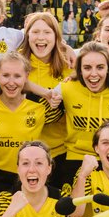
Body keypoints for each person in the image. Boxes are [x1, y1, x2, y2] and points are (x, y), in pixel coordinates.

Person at [48, 42, 109, 188]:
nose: (93, 74)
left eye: (100, 67)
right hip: (75, 158)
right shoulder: (66, 88)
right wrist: (65, 47)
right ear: (79, 69)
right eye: (87, 68)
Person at [0, 52, 61, 193]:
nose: (11, 82)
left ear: (26, 77)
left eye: (17, 76)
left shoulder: (41, 106)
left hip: (29, 176)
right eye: (5, 75)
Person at [18, 12, 73, 170]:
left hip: (61, 151)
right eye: (35, 32)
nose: (40, 37)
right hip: (27, 154)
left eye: (47, 32)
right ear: (27, 36)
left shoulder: (69, 66)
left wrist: (66, 47)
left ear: (56, 37)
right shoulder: (17, 64)